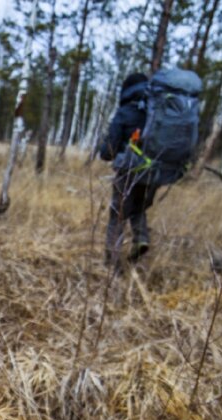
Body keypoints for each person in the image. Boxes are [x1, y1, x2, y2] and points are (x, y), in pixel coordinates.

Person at [98, 73, 156, 272]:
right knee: (138, 208)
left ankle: (112, 263)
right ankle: (141, 239)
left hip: (128, 170)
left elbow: (109, 151)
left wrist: (105, 151)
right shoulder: (155, 111)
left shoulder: (125, 112)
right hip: (153, 173)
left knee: (118, 215)